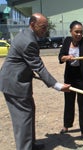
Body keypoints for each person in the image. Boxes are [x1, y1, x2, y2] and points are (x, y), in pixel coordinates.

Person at [0, 13, 71, 150]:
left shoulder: (26, 35)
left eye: (46, 27)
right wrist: (57, 86)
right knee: (22, 118)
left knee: (28, 112)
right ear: (32, 24)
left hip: (16, 79)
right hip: (14, 84)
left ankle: (30, 144)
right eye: (42, 27)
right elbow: (39, 66)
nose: (45, 30)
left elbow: (23, 61)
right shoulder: (28, 41)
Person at [58, 21, 83, 139]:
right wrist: (66, 57)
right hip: (70, 76)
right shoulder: (66, 41)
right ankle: (67, 125)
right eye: (76, 32)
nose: (79, 34)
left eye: (81, 32)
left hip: (82, 78)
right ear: (71, 31)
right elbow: (60, 57)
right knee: (69, 102)